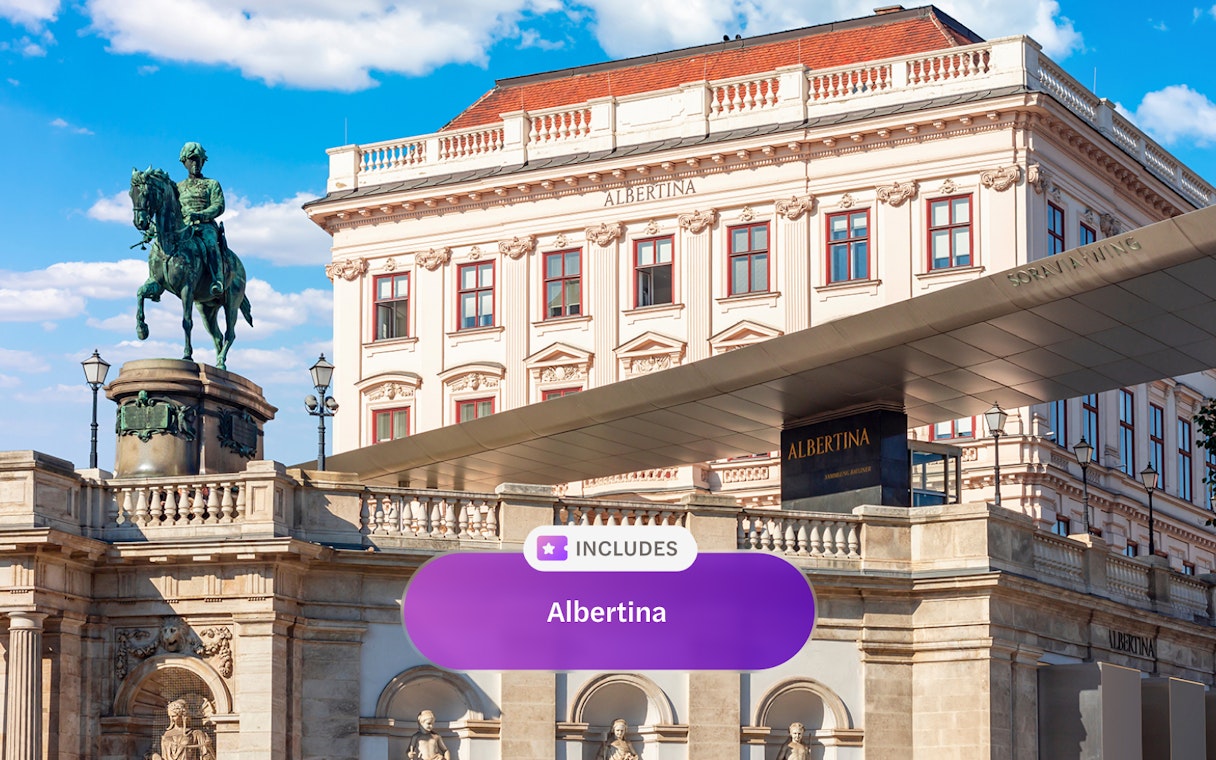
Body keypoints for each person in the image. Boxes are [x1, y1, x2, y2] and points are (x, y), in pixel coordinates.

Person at [177, 142, 226, 297]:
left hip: (204, 226)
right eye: (192, 159)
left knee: (211, 244)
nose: (195, 163)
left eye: (199, 160)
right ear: (184, 161)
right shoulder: (177, 187)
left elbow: (218, 205)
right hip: (183, 226)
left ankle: (217, 279)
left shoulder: (211, 184)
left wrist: (200, 215)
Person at [149, 699, 214, 760]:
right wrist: (155, 756)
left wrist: (208, 747)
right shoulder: (163, 734)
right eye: (170, 716)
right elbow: (151, 752)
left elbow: (207, 755)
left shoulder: (196, 734)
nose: (172, 719)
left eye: (174, 716)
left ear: (183, 716)